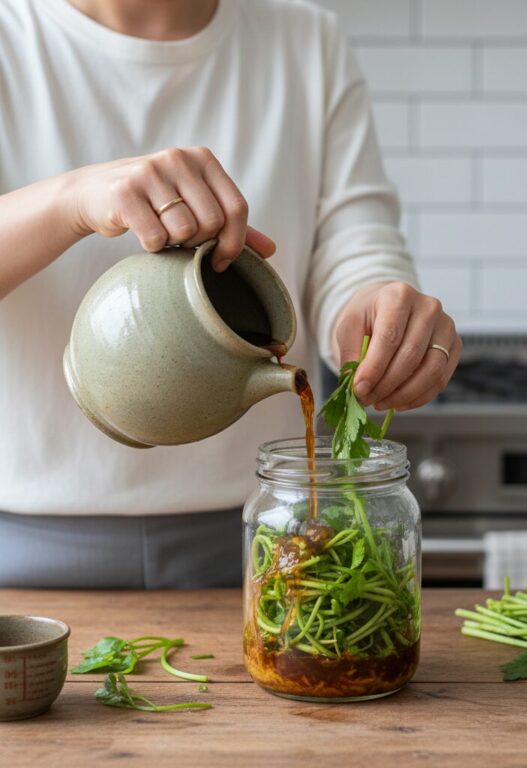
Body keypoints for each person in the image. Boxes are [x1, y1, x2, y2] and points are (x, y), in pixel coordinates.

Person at [0, 0, 461, 588]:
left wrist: (374, 310)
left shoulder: (304, 39)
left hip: (264, 535)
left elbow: (356, 239)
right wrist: (71, 198)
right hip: (19, 546)